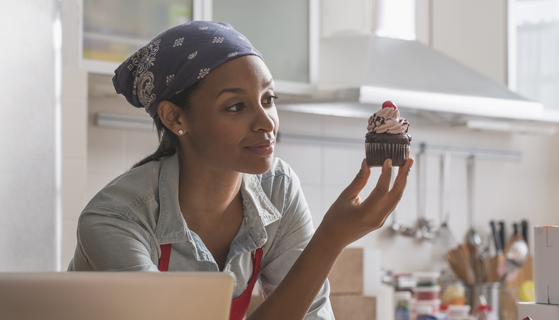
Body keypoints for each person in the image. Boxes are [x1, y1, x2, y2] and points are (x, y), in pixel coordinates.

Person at [68, 21, 414, 320]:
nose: (266, 123)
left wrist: (332, 239)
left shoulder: (277, 188)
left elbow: (310, 313)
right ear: (175, 118)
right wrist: (331, 239)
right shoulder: (116, 218)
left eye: (269, 99)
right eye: (236, 106)